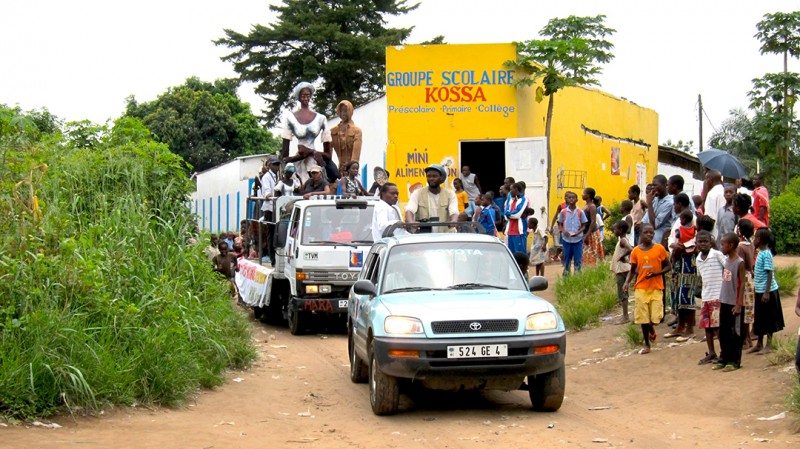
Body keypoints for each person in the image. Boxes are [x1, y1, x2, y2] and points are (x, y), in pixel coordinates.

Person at [623, 224, 672, 355]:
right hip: (641, 287)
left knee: (657, 317)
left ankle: (651, 328)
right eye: (646, 232)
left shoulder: (659, 249)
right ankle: (646, 343)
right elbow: (632, 270)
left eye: (651, 233)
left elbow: (668, 266)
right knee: (643, 318)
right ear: (641, 234)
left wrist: (657, 273)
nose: (649, 235)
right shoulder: (636, 251)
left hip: (656, 287)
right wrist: (627, 283)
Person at [280, 82, 332, 184]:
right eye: (303, 95)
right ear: (298, 97)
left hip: (314, 160)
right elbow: (285, 148)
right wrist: (286, 162)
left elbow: (328, 154)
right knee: (298, 182)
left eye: (308, 95)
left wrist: (313, 153)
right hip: (298, 160)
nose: (305, 98)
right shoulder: (291, 117)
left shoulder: (321, 118)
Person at [666, 196, 698, 340]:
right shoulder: (679, 220)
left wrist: (682, 247)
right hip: (678, 262)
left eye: (675, 204)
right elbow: (672, 239)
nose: (674, 207)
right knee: (678, 293)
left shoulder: (693, 220)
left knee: (687, 294)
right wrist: (674, 246)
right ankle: (680, 326)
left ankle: (689, 328)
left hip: (688, 262)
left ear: (679, 204)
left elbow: (697, 239)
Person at [713, 232, 746, 372]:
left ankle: (734, 361)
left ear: (731, 245)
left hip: (734, 303)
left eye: (723, 244)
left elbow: (743, 283)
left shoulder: (739, 263)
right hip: (725, 301)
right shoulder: (726, 261)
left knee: (735, 333)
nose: (721, 246)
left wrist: (738, 304)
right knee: (724, 332)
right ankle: (724, 358)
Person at [748, 227, 784, 355]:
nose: (754, 239)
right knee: (760, 318)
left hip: (767, 291)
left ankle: (769, 344)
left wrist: (767, 292)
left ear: (762, 240)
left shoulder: (766, 254)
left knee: (769, 318)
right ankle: (759, 344)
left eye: (756, 237)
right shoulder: (760, 252)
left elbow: (770, 273)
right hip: (760, 290)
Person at [695, 230, 724, 364]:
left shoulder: (717, 255)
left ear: (711, 242)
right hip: (706, 297)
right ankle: (711, 352)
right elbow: (701, 277)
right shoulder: (698, 259)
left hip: (718, 296)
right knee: (707, 326)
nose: (703, 244)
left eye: (705, 241)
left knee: (717, 326)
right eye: (700, 242)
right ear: (696, 243)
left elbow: (727, 268)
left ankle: (723, 353)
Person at [404, 164, 458, 233]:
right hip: (425, 236)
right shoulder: (417, 193)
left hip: (445, 235)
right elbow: (409, 210)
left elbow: (454, 211)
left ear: (441, 178)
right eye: (429, 176)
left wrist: (453, 221)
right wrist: (411, 222)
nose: (431, 178)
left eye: (434, 176)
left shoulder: (450, 194)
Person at [558, 191, 588, 276]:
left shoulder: (580, 212)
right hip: (566, 239)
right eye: (569, 198)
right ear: (566, 199)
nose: (571, 199)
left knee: (578, 259)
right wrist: (563, 231)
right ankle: (566, 275)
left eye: (573, 198)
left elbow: (584, 225)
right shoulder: (563, 212)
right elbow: (559, 223)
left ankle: (577, 276)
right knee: (567, 258)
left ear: (577, 200)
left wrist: (578, 232)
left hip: (577, 239)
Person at [736, 219, 756, 349]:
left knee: (742, 309)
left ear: (739, 230)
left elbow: (739, 266)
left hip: (743, 278)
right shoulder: (751, 244)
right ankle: (747, 337)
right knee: (748, 309)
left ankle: (744, 339)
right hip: (750, 277)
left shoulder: (740, 247)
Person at [329, 100, 362, 175]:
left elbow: (356, 155)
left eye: (345, 110)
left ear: (350, 111)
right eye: (341, 110)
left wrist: (352, 169)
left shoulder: (357, 131)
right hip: (338, 170)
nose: (343, 113)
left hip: (351, 171)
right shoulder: (333, 131)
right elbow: (328, 155)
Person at [611, 220, 633, 324]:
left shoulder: (623, 241)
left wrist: (623, 256)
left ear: (620, 230)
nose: (614, 230)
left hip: (622, 269)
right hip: (621, 269)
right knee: (622, 292)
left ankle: (625, 316)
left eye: (615, 229)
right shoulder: (621, 240)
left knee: (623, 293)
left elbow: (631, 249)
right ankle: (625, 315)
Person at [644, 175, 674, 247]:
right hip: (649, 241)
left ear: (664, 185)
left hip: (659, 241)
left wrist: (649, 204)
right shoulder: (655, 199)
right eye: (652, 186)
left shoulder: (670, 202)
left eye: (655, 185)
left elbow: (654, 225)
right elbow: (644, 221)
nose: (653, 188)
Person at [504, 182, 529, 254]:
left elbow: (517, 214)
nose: (510, 191)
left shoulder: (523, 199)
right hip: (510, 231)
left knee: (520, 253)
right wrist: (509, 214)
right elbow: (506, 214)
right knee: (512, 254)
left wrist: (509, 215)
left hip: (519, 232)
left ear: (516, 189)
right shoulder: (511, 200)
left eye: (511, 189)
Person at [581, 187, 604, 266]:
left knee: (592, 254)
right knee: (586, 255)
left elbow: (593, 222)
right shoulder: (586, 205)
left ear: (589, 195)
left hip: (591, 234)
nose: (582, 194)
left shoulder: (592, 206)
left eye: (584, 193)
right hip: (586, 233)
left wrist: (587, 235)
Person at [703, 170, 725, 238]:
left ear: (710, 179)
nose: (705, 181)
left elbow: (709, 218)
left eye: (706, 179)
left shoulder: (712, 194)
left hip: (714, 233)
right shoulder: (725, 191)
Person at [549, 193, 568, 262]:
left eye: (569, 197)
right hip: (562, 228)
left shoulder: (574, 207)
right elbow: (555, 216)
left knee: (565, 244)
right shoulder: (561, 206)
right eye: (566, 197)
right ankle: (561, 257)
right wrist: (551, 227)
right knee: (562, 244)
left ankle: (560, 256)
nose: (567, 198)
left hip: (570, 228)